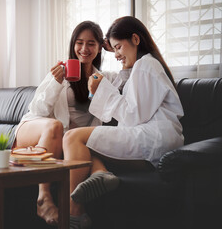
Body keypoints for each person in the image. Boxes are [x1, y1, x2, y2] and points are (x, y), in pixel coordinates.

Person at [62, 16, 184, 228]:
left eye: (119, 47)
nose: (116, 54)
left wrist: (100, 90)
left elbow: (133, 116)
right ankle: (102, 175)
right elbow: (126, 95)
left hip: (153, 138)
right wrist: (99, 87)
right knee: (83, 143)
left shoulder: (146, 66)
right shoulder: (141, 67)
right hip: (153, 137)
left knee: (73, 137)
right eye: (113, 49)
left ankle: (74, 211)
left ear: (135, 39)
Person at [13, 21, 109, 226]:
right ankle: (43, 197)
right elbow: (38, 111)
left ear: (100, 47)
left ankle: (77, 211)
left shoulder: (102, 78)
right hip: (35, 129)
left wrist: (98, 90)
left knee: (78, 142)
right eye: (79, 42)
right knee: (54, 125)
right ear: (73, 44)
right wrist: (56, 83)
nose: (84, 49)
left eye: (91, 44)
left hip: (69, 140)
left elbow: (99, 121)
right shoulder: (59, 71)